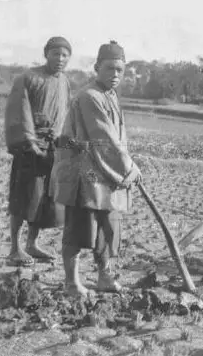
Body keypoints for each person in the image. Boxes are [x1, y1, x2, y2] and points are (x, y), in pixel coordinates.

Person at [50, 40, 141, 296]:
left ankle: (104, 276)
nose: (115, 75)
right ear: (96, 67)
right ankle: (71, 283)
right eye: (110, 68)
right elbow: (106, 140)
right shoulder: (90, 96)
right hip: (85, 172)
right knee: (79, 227)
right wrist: (130, 169)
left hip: (103, 172)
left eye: (119, 70)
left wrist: (126, 168)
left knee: (106, 225)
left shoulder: (109, 95)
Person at [4, 36, 72, 267]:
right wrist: (31, 144)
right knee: (23, 198)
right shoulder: (28, 78)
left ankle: (32, 243)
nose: (60, 59)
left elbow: (65, 115)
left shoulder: (64, 82)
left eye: (65, 55)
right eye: (56, 54)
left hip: (53, 150)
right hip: (31, 149)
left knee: (43, 200)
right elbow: (19, 112)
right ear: (46, 54)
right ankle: (14, 248)